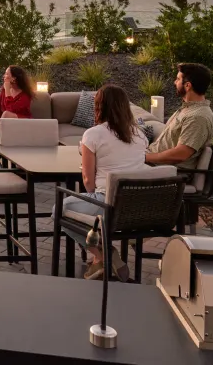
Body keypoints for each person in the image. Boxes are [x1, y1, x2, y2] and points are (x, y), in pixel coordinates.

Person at [59, 85, 149, 281]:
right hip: (135, 207)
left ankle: (104, 256)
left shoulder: (93, 134)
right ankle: (100, 261)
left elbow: (89, 183)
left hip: (107, 203)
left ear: (100, 106)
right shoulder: (140, 135)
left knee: (60, 208)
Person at [145, 63, 213, 169]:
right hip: (152, 161)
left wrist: (145, 157)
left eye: (178, 79)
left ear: (187, 85)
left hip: (163, 171)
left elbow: (181, 154)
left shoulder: (197, 117)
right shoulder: (188, 108)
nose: (175, 82)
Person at [0, 65, 34, 152]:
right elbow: (0, 107)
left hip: (23, 120)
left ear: (14, 78)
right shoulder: (4, 90)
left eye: (6, 74)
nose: (4, 76)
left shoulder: (25, 95)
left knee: (6, 113)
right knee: (5, 114)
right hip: (8, 120)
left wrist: (7, 89)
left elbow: (10, 109)